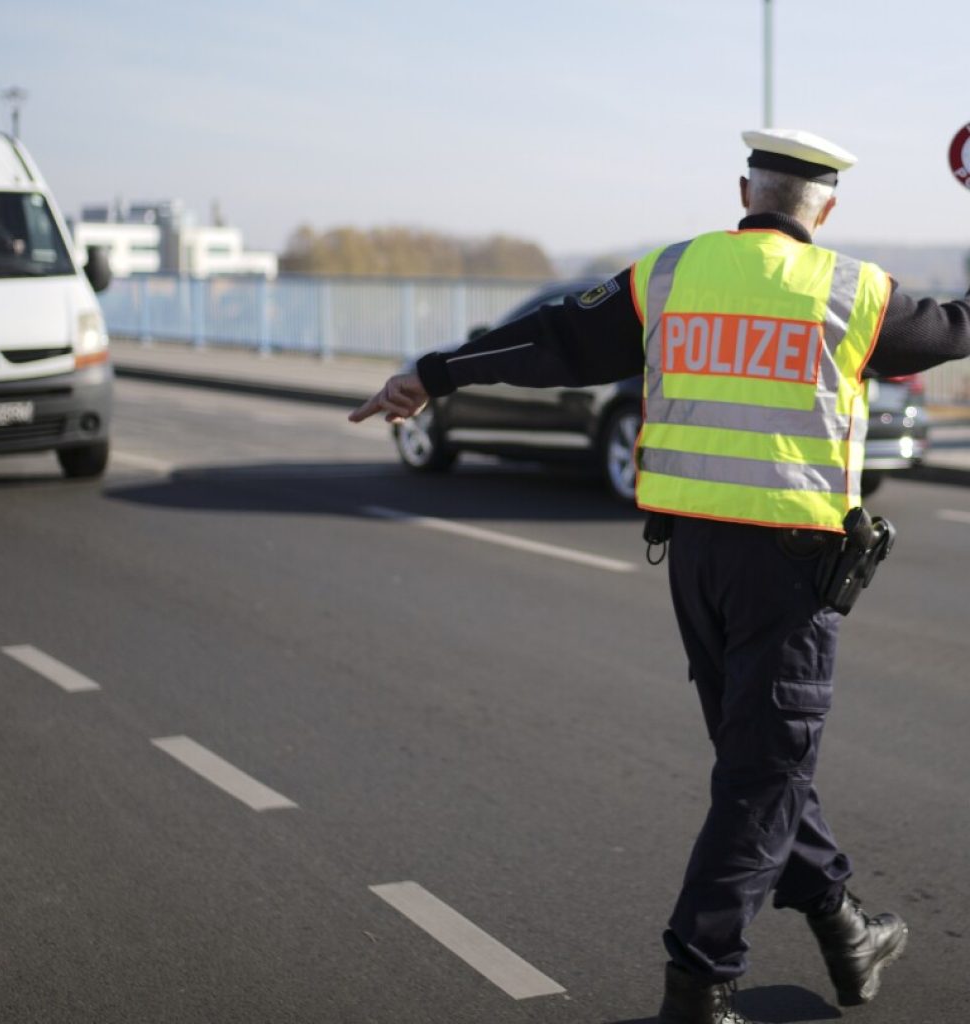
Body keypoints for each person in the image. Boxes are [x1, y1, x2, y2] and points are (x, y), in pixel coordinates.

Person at [348, 128, 970, 1024]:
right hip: (790, 575)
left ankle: (840, 922)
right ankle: (699, 977)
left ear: (745, 190)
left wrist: (431, 375)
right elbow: (953, 328)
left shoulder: (671, 275)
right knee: (763, 776)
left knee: (762, 764)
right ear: (826, 207)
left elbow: (553, 339)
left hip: (697, 562)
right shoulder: (854, 293)